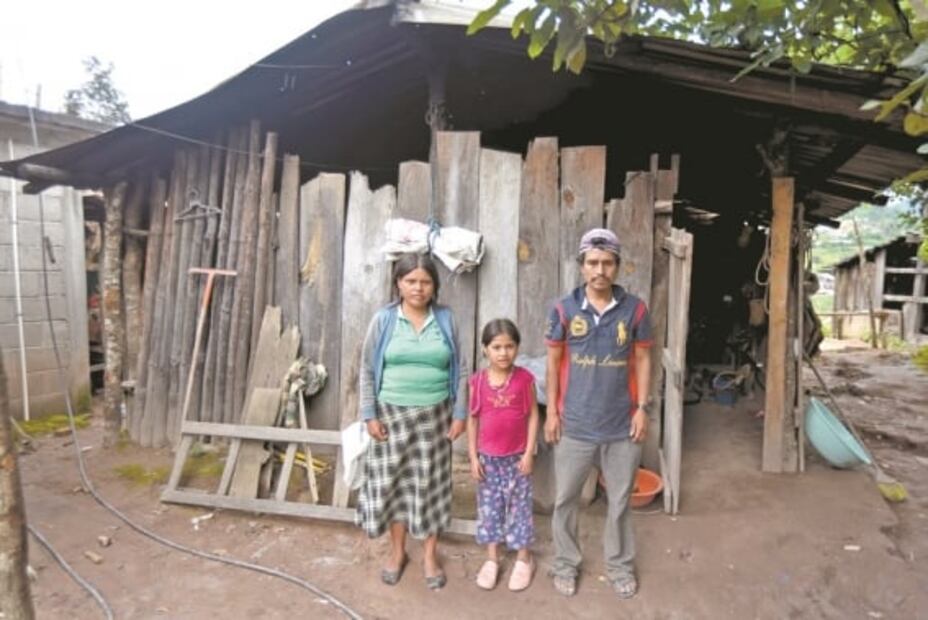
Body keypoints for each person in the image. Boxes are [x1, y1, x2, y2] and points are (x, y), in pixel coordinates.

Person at [544, 228, 652, 599]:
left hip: (622, 425)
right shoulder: (564, 309)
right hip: (574, 424)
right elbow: (553, 361)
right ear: (582, 266)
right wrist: (552, 413)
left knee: (620, 501)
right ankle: (565, 563)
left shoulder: (635, 309)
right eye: (592, 262)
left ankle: (619, 565)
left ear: (617, 266)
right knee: (565, 500)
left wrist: (642, 409)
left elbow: (643, 358)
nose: (600, 270)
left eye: (607, 263)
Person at [355, 253, 468, 590]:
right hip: (391, 417)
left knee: (431, 486)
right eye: (411, 281)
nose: (418, 288)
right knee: (394, 486)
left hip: (435, 417)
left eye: (425, 282)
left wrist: (460, 413)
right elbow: (367, 369)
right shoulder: (384, 320)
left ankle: (430, 555)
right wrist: (369, 414)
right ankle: (397, 553)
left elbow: (462, 369)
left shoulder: (446, 319)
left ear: (435, 286)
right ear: (398, 284)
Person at [467, 319, 540, 592]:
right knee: (490, 509)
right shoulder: (477, 382)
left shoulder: (525, 380)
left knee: (520, 508)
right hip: (488, 460)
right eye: (496, 347)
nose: (503, 353)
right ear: (485, 349)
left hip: (517, 459)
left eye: (509, 346)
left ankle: (523, 558)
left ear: (517, 348)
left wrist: (529, 452)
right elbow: (473, 420)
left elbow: (533, 416)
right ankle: (492, 558)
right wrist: (473, 457)